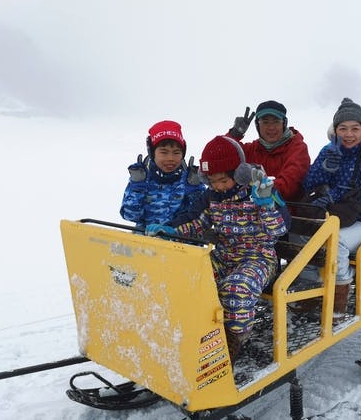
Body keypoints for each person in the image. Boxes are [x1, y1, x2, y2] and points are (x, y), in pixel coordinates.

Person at [145, 135, 289, 361]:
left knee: (235, 290)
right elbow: (196, 221)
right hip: (223, 257)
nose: (218, 187)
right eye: (212, 181)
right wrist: (171, 230)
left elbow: (279, 230)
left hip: (259, 259)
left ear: (238, 173)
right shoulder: (211, 195)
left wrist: (267, 205)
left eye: (223, 180)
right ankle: (192, 336)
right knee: (187, 279)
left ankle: (234, 343)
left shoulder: (261, 188)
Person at [298, 98, 361, 319]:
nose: (349, 134)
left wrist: (332, 197)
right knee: (300, 234)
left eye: (355, 129)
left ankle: (341, 291)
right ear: (335, 130)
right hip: (330, 217)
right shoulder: (327, 152)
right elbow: (309, 184)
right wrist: (324, 169)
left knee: (334, 240)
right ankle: (309, 291)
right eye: (343, 128)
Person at [120, 120, 206, 230]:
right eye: (164, 152)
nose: (170, 158)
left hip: (182, 243)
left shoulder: (190, 180)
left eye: (176, 153)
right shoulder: (143, 179)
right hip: (146, 242)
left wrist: (195, 190)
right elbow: (130, 215)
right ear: (152, 152)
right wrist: (137, 187)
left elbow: (201, 220)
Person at [227, 100, 310, 202]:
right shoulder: (252, 149)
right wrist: (234, 135)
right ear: (257, 125)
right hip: (250, 212)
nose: (271, 127)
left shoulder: (297, 148)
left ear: (284, 123)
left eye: (276, 121)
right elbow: (222, 157)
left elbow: (289, 182)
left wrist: (261, 192)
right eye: (265, 122)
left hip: (288, 212)